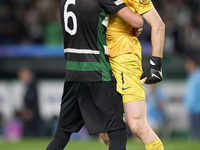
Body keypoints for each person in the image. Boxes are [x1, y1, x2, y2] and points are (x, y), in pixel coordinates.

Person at [46, 0, 144, 150]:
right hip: (98, 72)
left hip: (73, 74)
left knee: (61, 134)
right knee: (117, 132)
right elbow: (137, 22)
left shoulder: (65, 1)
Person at [99, 0, 165, 150]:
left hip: (125, 57)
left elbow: (158, 24)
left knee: (137, 125)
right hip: (100, 60)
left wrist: (156, 63)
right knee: (105, 131)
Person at [18, 67, 47, 137]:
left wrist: (29, 111)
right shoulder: (29, 86)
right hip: (32, 113)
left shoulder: (32, 86)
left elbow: (31, 101)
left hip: (32, 114)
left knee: (37, 132)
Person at [184, 55, 200, 139]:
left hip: (198, 108)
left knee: (198, 129)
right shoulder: (190, 76)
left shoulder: (198, 76)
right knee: (194, 129)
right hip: (192, 108)